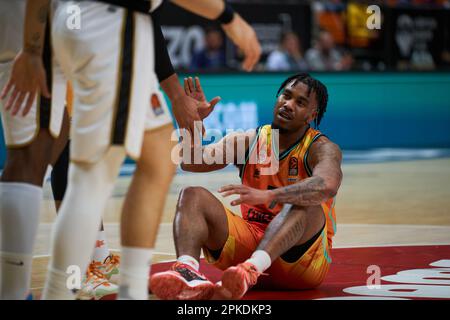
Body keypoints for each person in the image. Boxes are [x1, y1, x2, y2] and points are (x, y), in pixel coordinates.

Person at [24, 0, 260, 300]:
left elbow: (150, 21)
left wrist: (32, 49)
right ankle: (104, 284)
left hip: (79, 25)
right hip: (107, 29)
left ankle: (82, 277)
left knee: (107, 159)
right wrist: (230, 19)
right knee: (102, 169)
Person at [150, 73, 342, 300]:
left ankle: (252, 269)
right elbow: (193, 162)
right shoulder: (250, 140)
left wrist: (269, 195)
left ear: (312, 114)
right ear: (277, 97)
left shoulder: (322, 148)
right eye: (286, 96)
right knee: (192, 195)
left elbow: (327, 185)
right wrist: (192, 123)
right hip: (251, 242)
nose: (288, 105)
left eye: (300, 103)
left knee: (303, 203)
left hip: (301, 262)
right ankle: (187, 271)